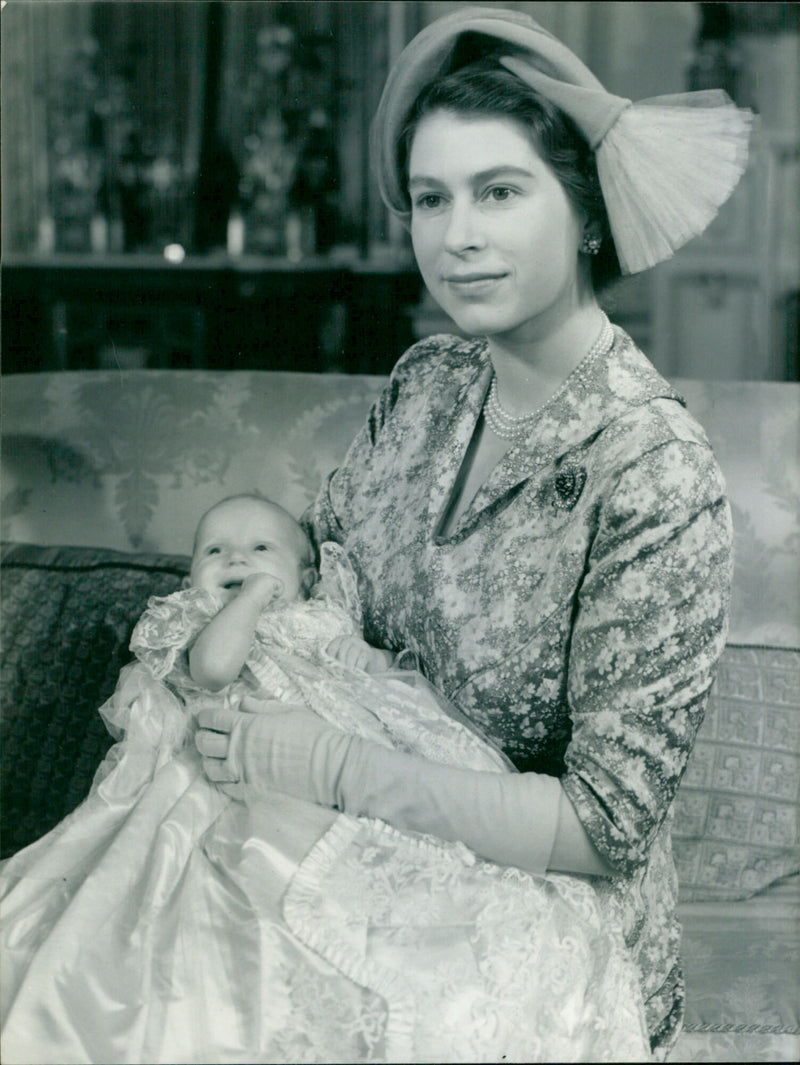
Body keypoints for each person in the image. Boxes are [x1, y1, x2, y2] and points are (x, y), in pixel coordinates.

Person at [192, 7, 750, 1062]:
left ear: (583, 214)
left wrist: (325, 761)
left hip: (539, 935)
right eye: (432, 199)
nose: (457, 236)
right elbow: (328, 601)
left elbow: (601, 829)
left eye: (499, 191)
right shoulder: (427, 386)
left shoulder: (652, 470)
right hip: (349, 856)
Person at [0, 493, 651, 1063]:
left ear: (307, 574)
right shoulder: (200, 621)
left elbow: (379, 680)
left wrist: (388, 688)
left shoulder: (320, 622)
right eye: (214, 550)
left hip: (321, 782)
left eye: (260, 548)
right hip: (227, 789)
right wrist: (252, 598)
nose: (235, 560)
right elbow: (215, 669)